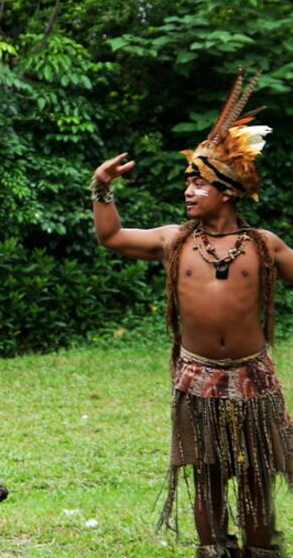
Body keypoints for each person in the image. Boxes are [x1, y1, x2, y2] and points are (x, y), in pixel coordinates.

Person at [91, 70, 293, 558]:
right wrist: (101, 189)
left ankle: (260, 551)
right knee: (206, 472)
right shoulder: (173, 241)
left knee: (256, 472)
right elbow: (112, 237)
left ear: (227, 190)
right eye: (187, 181)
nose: (188, 190)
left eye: (198, 182)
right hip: (197, 379)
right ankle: (213, 551)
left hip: (254, 379)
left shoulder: (261, 246)